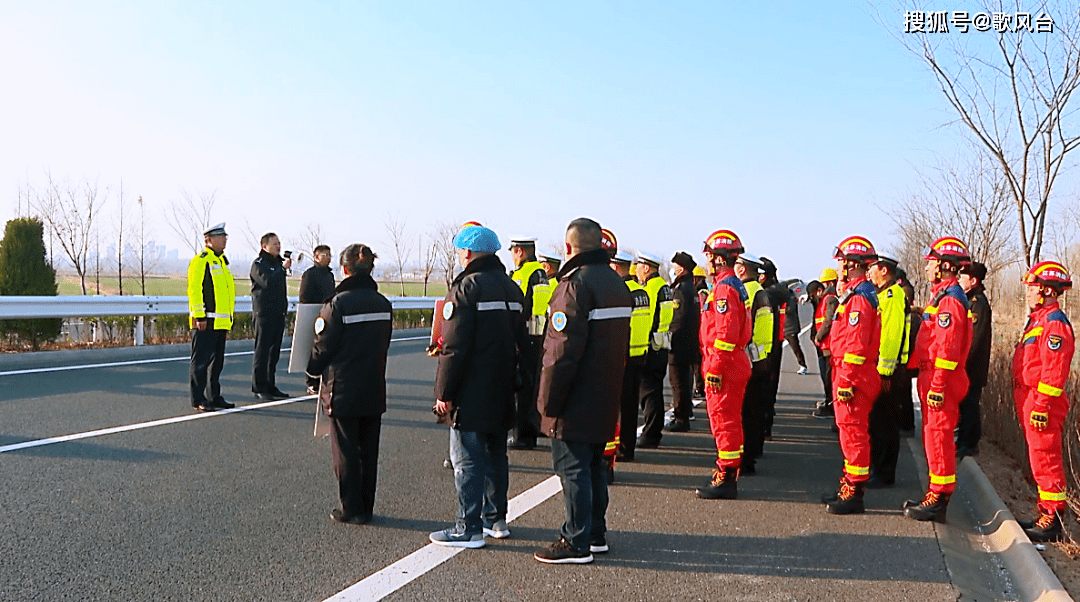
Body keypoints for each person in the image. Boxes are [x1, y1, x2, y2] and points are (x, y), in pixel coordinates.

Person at [534, 218, 631, 564]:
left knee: (572, 467)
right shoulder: (617, 283)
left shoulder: (574, 286)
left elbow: (560, 352)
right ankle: (594, 532)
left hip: (576, 394)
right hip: (606, 390)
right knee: (593, 465)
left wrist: (547, 401)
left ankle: (576, 542)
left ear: (569, 248)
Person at [430, 225, 526, 549]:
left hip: (471, 390)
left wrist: (444, 393)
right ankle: (495, 520)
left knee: (467, 459)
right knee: (496, 455)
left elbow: (454, 349)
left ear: (467, 254)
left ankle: (467, 527)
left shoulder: (465, 289)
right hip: (503, 387)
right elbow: (522, 341)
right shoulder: (512, 289)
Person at [305, 244, 391, 525]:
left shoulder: (337, 304)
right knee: (369, 450)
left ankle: (351, 508)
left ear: (344, 270)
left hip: (342, 388)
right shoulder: (383, 303)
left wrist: (311, 372)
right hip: (373, 385)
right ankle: (366, 507)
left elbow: (322, 348)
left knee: (345, 451)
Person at [904, 237, 973, 522]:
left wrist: (939, 384)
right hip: (931, 376)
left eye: (931, 262)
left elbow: (948, 349)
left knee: (940, 437)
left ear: (945, 266)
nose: (927, 267)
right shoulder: (942, 297)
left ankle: (939, 498)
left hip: (940, 379)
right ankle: (935, 492)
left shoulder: (951, 301)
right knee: (932, 436)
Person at [1013, 261, 1074, 542]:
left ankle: (1054, 517)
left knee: (1047, 457)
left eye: (1033, 288)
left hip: (1042, 401)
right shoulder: (1039, 319)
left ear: (1047, 290)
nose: (1028, 292)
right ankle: (1045, 511)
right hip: (1032, 398)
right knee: (1039, 456)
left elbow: (1054, 370)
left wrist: (1042, 405)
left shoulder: (1054, 324)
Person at [822, 236, 881, 515]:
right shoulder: (856, 294)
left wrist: (845, 381)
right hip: (850, 372)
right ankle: (849, 483)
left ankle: (855, 492)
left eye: (843, 262)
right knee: (848, 432)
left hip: (853, 375)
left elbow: (855, 347)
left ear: (851, 265)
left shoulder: (858, 299)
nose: (839, 267)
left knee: (854, 432)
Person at [695, 230, 752, 500]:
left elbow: (725, 335)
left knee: (724, 420)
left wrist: (715, 370)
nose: (705, 261)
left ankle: (726, 476)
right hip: (729, 362)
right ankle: (728, 471)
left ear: (718, 259)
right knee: (728, 419)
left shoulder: (724, 290)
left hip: (724, 364)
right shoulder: (729, 285)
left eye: (708, 256)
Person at [866, 254, 908, 489]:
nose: (869, 273)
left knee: (885, 424)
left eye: (872, 269)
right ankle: (879, 469)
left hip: (889, 372)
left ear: (883, 270)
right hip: (884, 369)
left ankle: (883, 473)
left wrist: (884, 372)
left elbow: (891, 336)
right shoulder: (883, 295)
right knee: (878, 423)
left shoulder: (892, 296)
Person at [507, 237, 553, 450]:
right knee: (533, 385)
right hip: (537, 335)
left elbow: (521, 306)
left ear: (519, 251)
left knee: (523, 387)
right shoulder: (541, 273)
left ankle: (522, 435)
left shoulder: (526, 273)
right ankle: (531, 429)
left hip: (525, 335)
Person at [187, 223, 236, 412]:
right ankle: (198, 398)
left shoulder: (223, 261)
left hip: (221, 321)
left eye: (225, 236)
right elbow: (195, 290)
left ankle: (214, 396)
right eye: (220, 237)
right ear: (209, 240)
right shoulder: (201, 261)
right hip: (205, 321)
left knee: (217, 363)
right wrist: (199, 316)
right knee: (200, 362)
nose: (224, 240)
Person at [735, 253, 773, 474]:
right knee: (754, 411)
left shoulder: (746, 292)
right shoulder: (760, 292)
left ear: (741, 270)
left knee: (744, 413)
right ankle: (752, 452)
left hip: (748, 360)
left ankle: (745, 458)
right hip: (760, 359)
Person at [634, 251, 674, 449]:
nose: (637, 271)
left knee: (648, 392)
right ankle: (654, 431)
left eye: (639, 267)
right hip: (662, 344)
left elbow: (647, 318)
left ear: (647, 268)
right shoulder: (665, 287)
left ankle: (650, 434)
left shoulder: (650, 288)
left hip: (650, 346)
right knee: (655, 391)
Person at [250, 232, 293, 400]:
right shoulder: (259, 264)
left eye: (279, 242)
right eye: (275, 243)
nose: (278, 246)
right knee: (262, 351)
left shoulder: (278, 263)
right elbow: (267, 282)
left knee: (274, 352)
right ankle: (259, 386)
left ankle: (270, 384)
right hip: (264, 313)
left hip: (278, 313)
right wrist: (282, 269)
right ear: (264, 246)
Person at [956, 261, 991, 458]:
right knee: (965, 404)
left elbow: (973, 340)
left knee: (970, 405)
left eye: (963, 277)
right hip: (968, 367)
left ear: (973, 280)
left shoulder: (978, 303)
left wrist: (963, 363)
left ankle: (969, 444)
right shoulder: (968, 300)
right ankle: (963, 440)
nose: (959, 280)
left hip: (972, 367)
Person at [665, 252, 701, 433]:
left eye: (674, 267)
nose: (672, 270)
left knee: (678, 382)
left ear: (681, 268)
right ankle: (685, 413)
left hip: (680, 343)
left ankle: (681, 418)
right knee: (685, 380)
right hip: (690, 341)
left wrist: (669, 338)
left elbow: (678, 319)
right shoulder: (690, 287)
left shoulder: (682, 289)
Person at [299, 244, 336, 394]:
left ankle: (324, 379)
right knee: (314, 348)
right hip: (314, 315)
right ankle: (311, 381)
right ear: (316, 257)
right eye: (324, 255)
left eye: (329, 255)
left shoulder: (330, 275)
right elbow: (304, 297)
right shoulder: (309, 274)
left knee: (326, 348)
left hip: (328, 315)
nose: (327, 258)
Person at [757, 257, 786, 440]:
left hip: (767, 345)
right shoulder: (779, 291)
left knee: (764, 389)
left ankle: (764, 427)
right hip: (775, 343)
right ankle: (765, 426)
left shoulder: (768, 294)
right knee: (769, 388)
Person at [812, 269, 840, 418]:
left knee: (829, 377)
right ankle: (829, 403)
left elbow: (827, 321)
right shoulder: (828, 297)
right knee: (827, 376)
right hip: (826, 343)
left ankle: (830, 407)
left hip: (828, 343)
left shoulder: (830, 298)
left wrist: (818, 336)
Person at [692, 265, 709, 400]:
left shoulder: (700, 293)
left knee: (698, 362)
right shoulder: (706, 292)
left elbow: (701, 313)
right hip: (704, 330)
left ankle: (700, 388)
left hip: (700, 330)